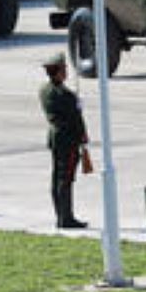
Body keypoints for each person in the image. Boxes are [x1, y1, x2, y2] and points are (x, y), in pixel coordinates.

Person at [40, 53, 89, 229]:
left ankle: (61, 216)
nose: (66, 71)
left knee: (57, 179)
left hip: (56, 139)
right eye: (64, 69)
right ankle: (66, 218)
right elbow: (74, 119)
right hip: (68, 141)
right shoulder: (65, 95)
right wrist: (82, 136)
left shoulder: (45, 90)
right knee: (65, 179)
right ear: (58, 72)